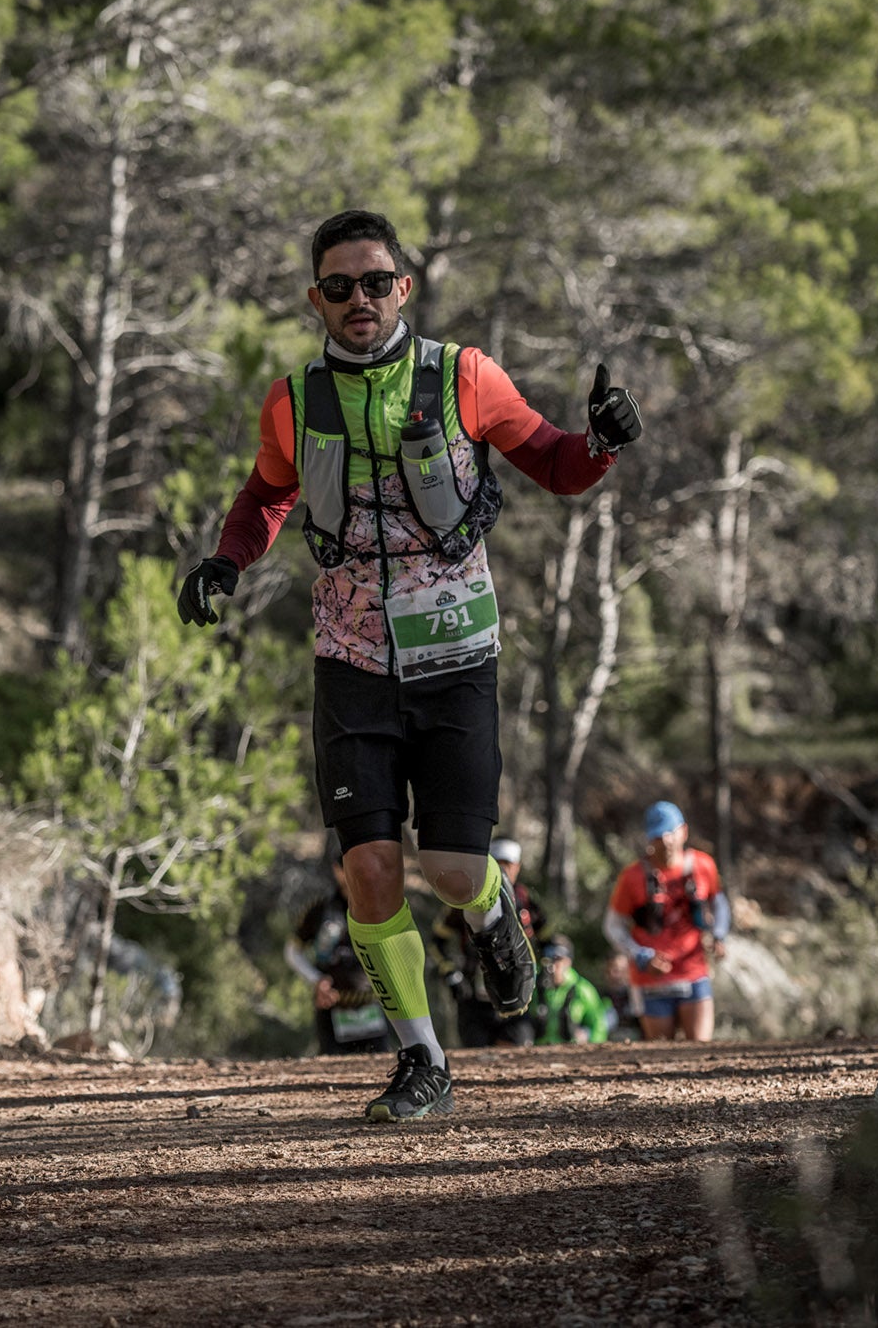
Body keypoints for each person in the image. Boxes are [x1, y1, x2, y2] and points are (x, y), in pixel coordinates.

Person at [177, 209, 643, 1120]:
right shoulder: (293, 400)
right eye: (340, 286)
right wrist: (225, 562)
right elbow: (267, 495)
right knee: (370, 867)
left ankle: (493, 912)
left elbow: (553, 461)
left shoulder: (463, 375)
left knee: (455, 864)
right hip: (348, 658)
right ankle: (422, 1058)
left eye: (376, 281)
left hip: (457, 653)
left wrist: (603, 442)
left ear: (405, 287)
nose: (360, 299)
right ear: (317, 298)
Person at [603, 801, 732, 1042]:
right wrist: (640, 955)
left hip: (693, 971)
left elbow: (720, 903)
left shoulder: (703, 866)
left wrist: (719, 934)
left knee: (700, 1049)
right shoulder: (633, 877)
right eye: (657, 837)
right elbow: (612, 925)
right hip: (651, 980)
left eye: (670, 834)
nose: (665, 843)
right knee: (662, 1055)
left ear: (683, 831)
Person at [287, 837, 394, 1055]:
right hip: (332, 1011)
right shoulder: (320, 910)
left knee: (381, 1070)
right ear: (337, 870)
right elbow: (292, 952)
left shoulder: (380, 907)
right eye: (348, 868)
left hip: (374, 1008)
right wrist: (317, 981)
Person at [432, 836, 537, 1047]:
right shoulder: (465, 900)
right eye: (498, 863)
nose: (503, 870)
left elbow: (549, 940)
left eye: (508, 864)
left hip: (516, 991)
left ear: (518, 867)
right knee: (475, 1058)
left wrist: (543, 977)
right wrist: (451, 972)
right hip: (473, 999)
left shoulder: (526, 901)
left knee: (517, 1052)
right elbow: (436, 942)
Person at [535, 936, 613, 1045]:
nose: (551, 966)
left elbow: (599, 1024)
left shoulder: (583, 989)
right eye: (547, 960)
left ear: (568, 962)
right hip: (538, 1052)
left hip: (572, 1053)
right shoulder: (534, 987)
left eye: (557, 960)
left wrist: (588, 1036)